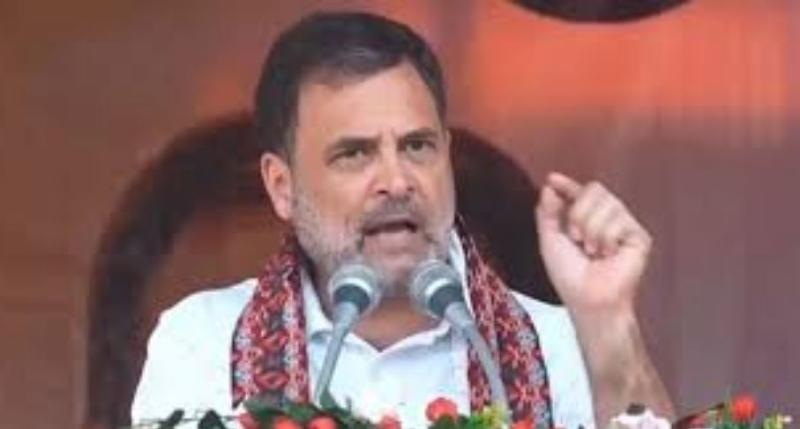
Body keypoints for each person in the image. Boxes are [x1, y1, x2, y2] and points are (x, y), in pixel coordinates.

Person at [131, 11, 674, 429]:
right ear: (282, 187)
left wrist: (608, 322)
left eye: (416, 146)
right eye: (355, 154)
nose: (396, 180)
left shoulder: (559, 345)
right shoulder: (204, 342)